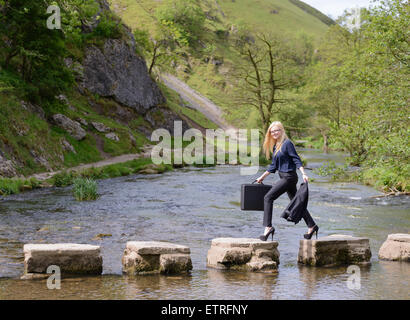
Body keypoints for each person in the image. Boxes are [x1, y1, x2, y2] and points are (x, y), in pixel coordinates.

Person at [256, 121, 319, 241]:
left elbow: (296, 159)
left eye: (276, 130)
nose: (274, 133)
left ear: (281, 130)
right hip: (284, 177)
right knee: (297, 204)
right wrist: (262, 177)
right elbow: (273, 166)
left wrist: (304, 173)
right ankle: (312, 225)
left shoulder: (287, 143)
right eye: (272, 131)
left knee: (268, 197)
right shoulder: (276, 145)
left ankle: (268, 227)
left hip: (289, 177)